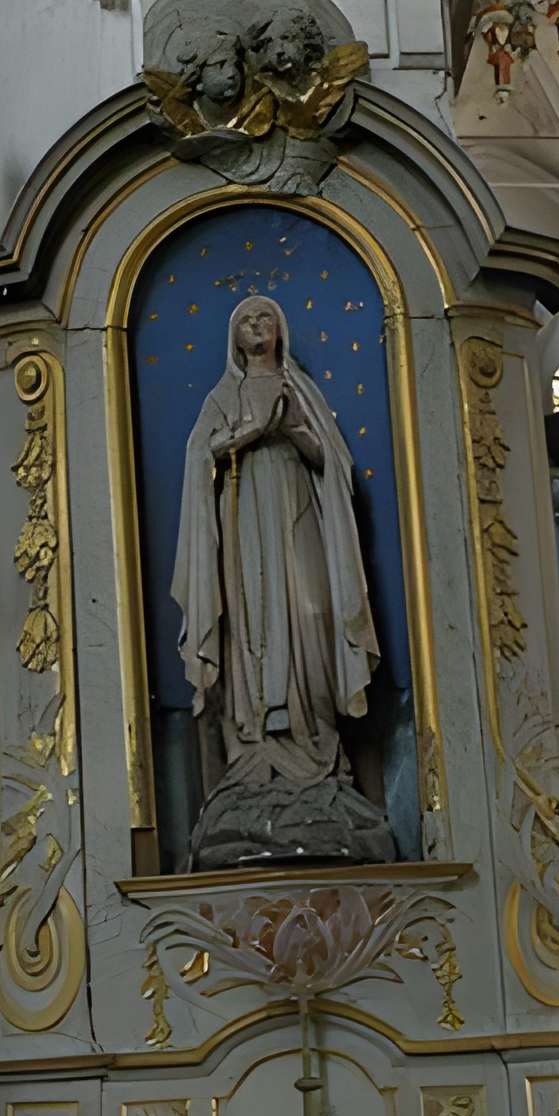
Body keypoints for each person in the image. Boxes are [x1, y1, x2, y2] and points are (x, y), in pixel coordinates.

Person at [172, 294, 382, 800]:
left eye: (264, 316)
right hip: (243, 523)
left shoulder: (298, 389)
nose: (256, 325)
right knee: (252, 621)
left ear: (280, 328)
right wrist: (244, 437)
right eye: (246, 320)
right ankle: (255, 742)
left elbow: (331, 462)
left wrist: (291, 430)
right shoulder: (224, 396)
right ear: (234, 337)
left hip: (298, 515)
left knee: (311, 613)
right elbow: (200, 454)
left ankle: (316, 739)